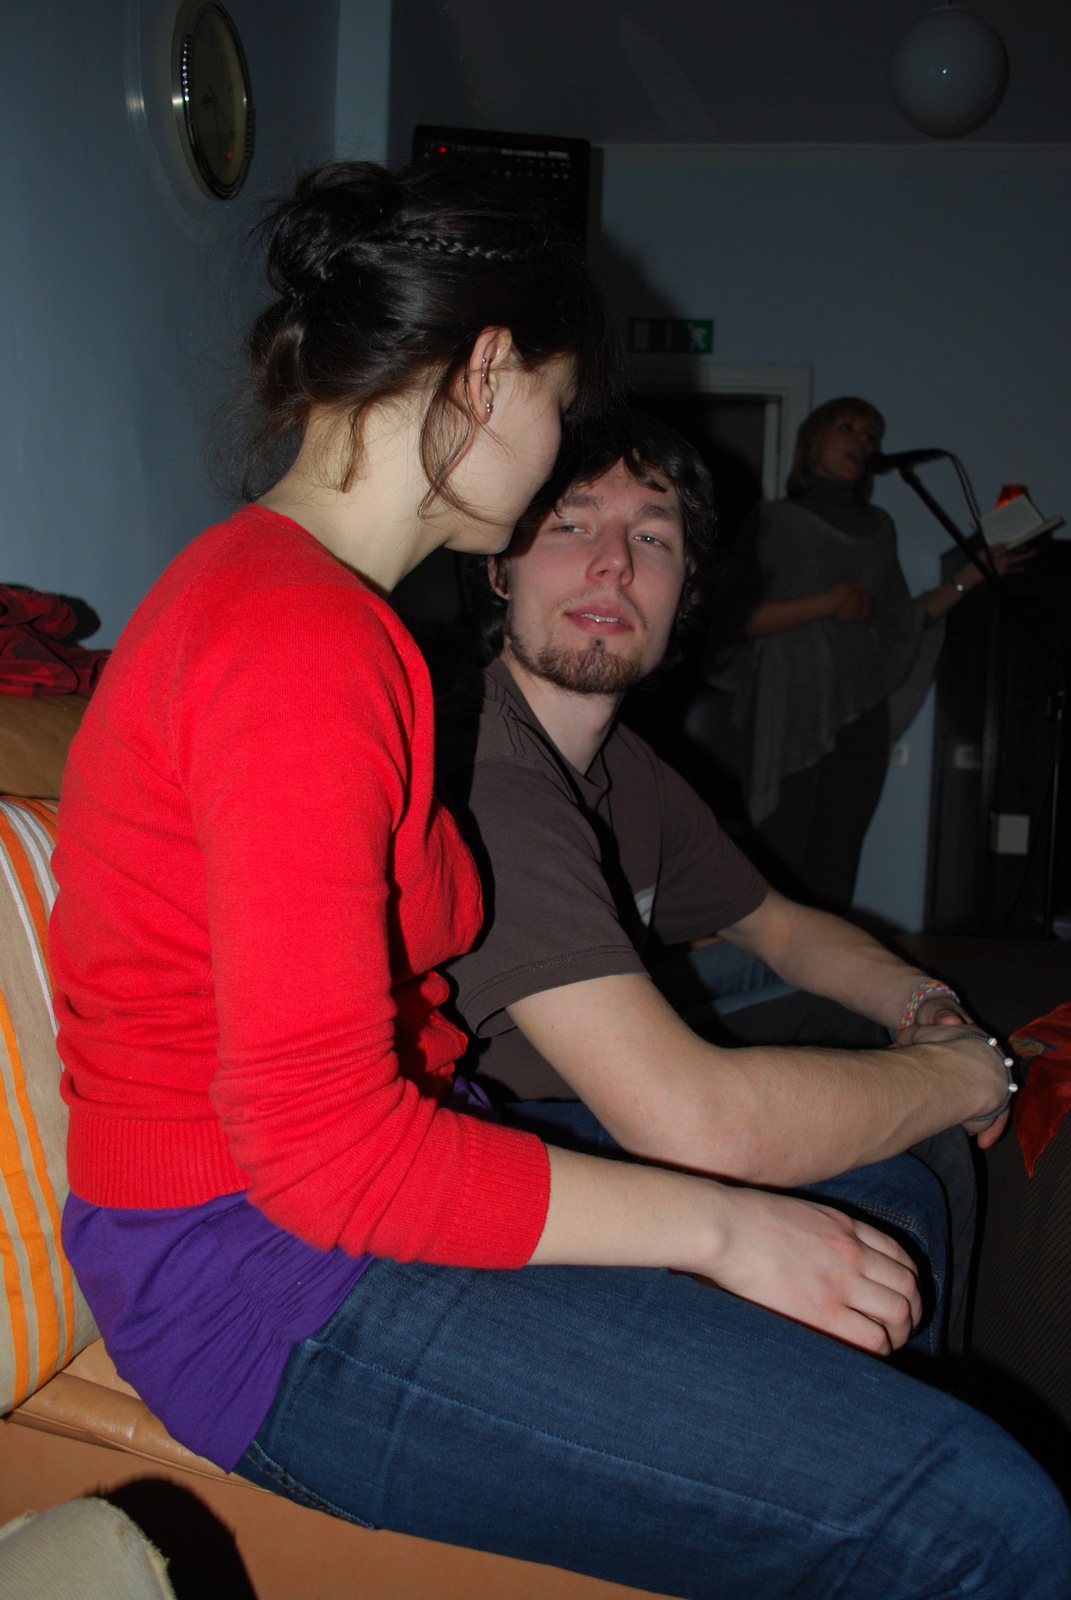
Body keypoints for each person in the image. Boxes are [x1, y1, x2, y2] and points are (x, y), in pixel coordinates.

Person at [48, 165, 1069, 1599]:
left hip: (355, 1195)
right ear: (486, 373)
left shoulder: (335, 627)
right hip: (263, 1290)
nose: (553, 458)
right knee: (987, 1516)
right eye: (558, 405)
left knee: (879, 1184)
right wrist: (723, 1226)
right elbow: (328, 1159)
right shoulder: (295, 644)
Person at [436, 411, 971, 1353]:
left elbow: (780, 927)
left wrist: (926, 1005)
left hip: (603, 1102)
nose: (612, 562)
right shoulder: (483, 774)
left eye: (652, 538)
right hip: (498, 1158)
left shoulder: (629, 768)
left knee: (883, 1078)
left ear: (683, 591)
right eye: (570, 523)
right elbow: (691, 1124)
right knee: (895, 1184)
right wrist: (964, 1071)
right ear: (498, 569)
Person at [709, 396, 1030, 910]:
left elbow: (902, 623)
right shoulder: (774, 519)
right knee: (777, 862)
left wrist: (972, 575)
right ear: (814, 439)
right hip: (789, 708)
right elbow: (732, 619)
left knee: (836, 864)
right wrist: (826, 603)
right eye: (847, 427)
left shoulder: (881, 527)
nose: (862, 440)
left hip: (860, 714)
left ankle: (827, 964)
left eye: (870, 435)